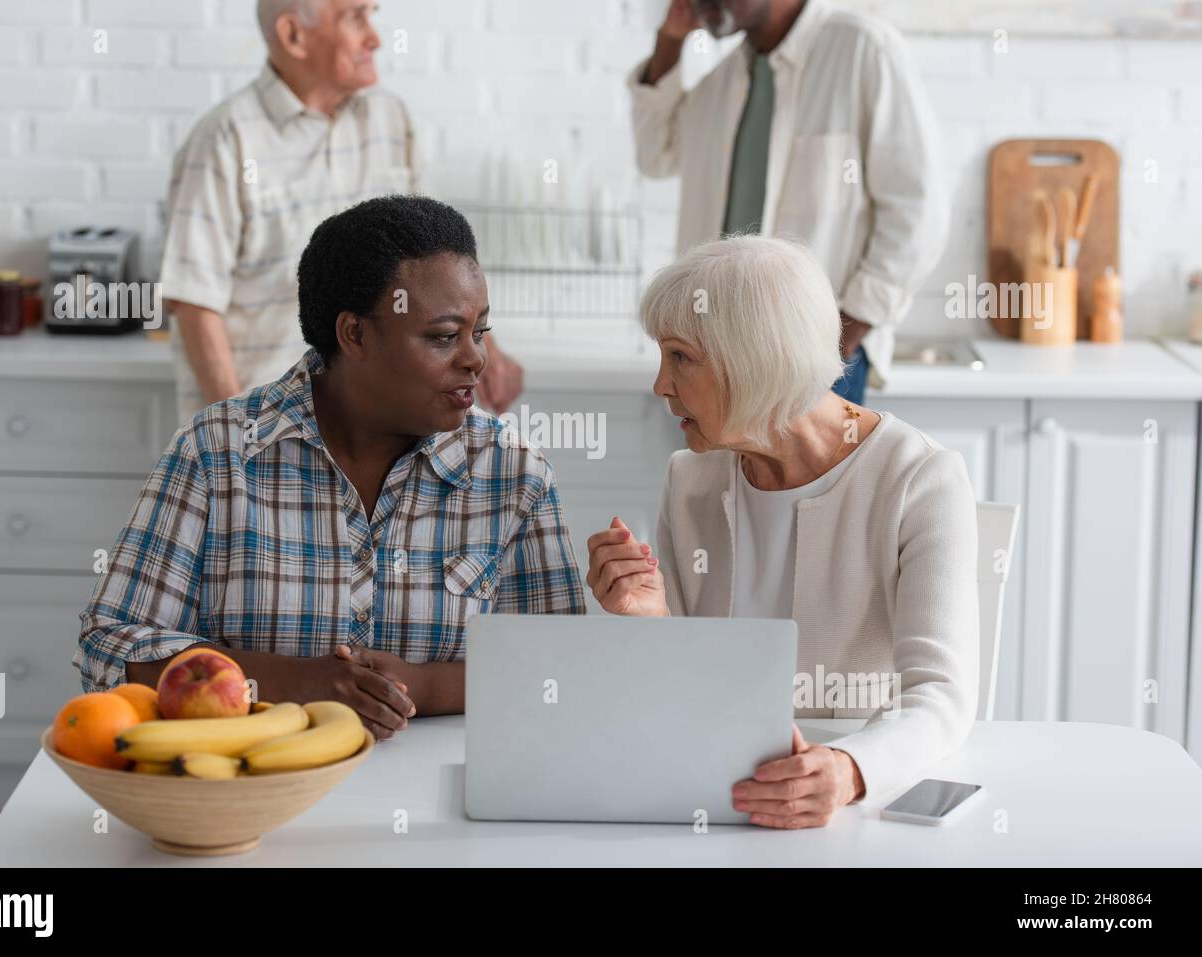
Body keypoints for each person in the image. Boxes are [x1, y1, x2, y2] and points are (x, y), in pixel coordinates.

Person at [77, 196, 585, 740]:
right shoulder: (217, 453)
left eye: (479, 331)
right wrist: (299, 683)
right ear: (355, 335)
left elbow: (561, 670)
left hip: (449, 804)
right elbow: (111, 651)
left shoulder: (513, 473)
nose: (475, 359)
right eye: (442, 337)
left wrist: (424, 687)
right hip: (253, 794)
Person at [585, 235, 978, 828]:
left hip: (854, 818)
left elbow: (941, 696)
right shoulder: (688, 480)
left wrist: (847, 769)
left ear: (754, 359)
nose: (661, 384)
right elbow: (689, 695)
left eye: (680, 357)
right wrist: (650, 623)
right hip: (720, 802)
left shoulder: (919, 478)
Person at [160, 0, 523, 424]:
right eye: (354, 17)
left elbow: (435, 264)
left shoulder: (388, 119)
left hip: (375, 425)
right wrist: (238, 439)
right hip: (270, 429)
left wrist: (487, 351)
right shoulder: (224, 140)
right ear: (294, 35)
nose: (375, 37)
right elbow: (194, 303)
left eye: (372, 14)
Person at [629, 0, 949, 404]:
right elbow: (656, 154)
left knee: (820, 471)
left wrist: (848, 329)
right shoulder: (724, 81)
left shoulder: (861, 50)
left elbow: (918, 209)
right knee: (712, 472)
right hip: (716, 360)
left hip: (814, 360)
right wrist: (670, 38)